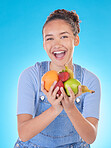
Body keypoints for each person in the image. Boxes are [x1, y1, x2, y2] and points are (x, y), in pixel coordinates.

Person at [14, 9, 101, 148]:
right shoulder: (31, 75)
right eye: (49, 38)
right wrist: (54, 109)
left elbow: (90, 137)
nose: (57, 44)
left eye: (64, 36)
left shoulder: (90, 81)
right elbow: (23, 133)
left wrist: (71, 108)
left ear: (76, 39)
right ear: (44, 44)